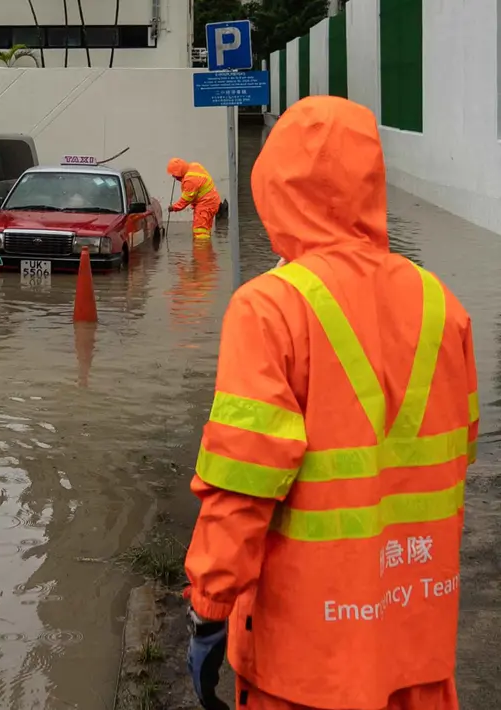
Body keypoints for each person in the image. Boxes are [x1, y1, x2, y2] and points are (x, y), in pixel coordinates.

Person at [184, 95, 476, 710]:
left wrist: (209, 607)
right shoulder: (442, 304)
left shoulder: (269, 308)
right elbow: (455, 456)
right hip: (417, 642)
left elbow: (242, 484)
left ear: (276, 189)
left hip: (305, 660)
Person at [167, 157, 222, 240]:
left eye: (174, 174)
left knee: (200, 231)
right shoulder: (194, 166)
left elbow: (185, 201)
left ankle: (201, 247)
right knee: (205, 229)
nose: (174, 177)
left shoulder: (190, 180)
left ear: (179, 172)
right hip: (211, 202)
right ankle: (207, 246)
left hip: (205, 204)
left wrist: (173, 207)